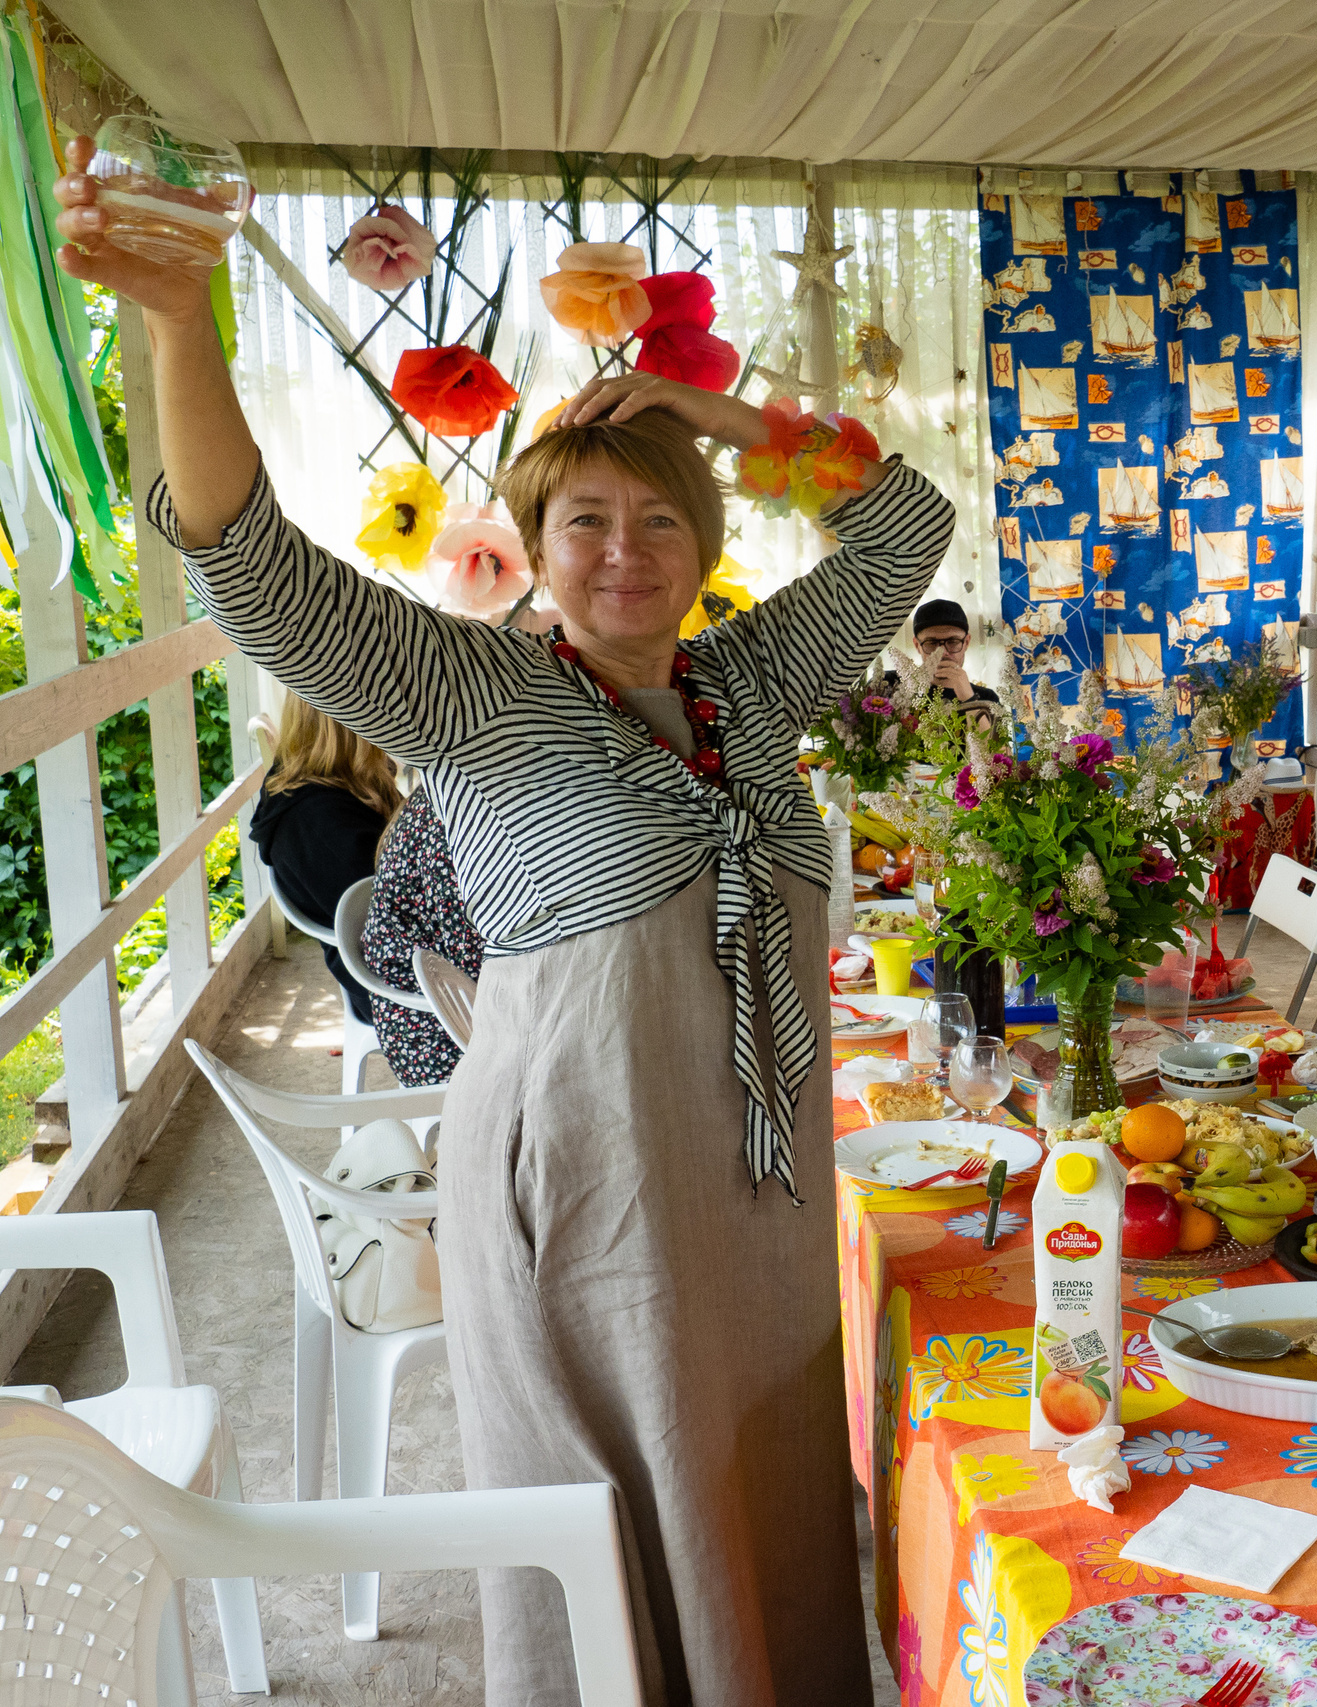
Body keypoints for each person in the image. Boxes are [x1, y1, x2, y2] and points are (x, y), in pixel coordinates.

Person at [58, 142, 954, 1707]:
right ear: (535, 551)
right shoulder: (478, 690)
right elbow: (257, 576)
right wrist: (183, 323)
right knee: (610, 1525)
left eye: (660, 520)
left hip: (758, 1189)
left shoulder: (750, 679)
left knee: (765, 1497)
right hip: (587, 1186)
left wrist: (709, 414)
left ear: (706, 547)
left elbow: (905, 527)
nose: (624, 551)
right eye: (585, 520)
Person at [248, 693, 401, 1026]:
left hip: (402, 963)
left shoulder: (340, 785)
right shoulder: (318, 823)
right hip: (392, 991)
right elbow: (384, 923)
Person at [360, 792, 480, 1087]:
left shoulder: (444, 799)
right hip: (432, 1031)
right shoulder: (447, 825)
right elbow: (471, 959)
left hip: (442, 1005)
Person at [910, 595, 1000, 711]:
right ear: (917, 645)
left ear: (966, 642)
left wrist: (969, 699)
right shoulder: (893, 689)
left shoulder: (987, 698)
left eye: (953, 642)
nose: (943, 652)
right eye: (932, 643)